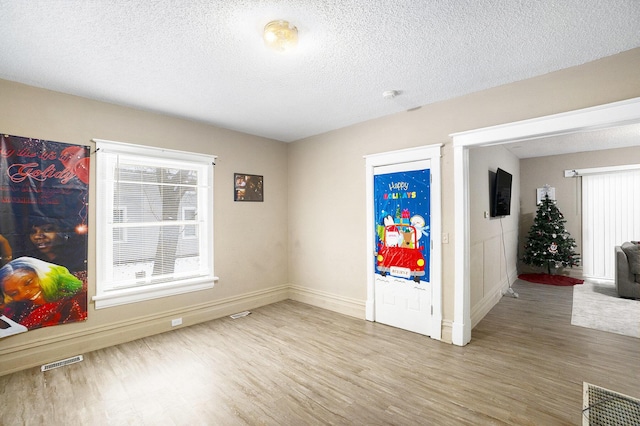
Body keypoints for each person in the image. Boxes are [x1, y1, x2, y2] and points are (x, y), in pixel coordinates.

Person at [0, 257, 86, 331]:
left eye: (28, 282)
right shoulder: (15, 309)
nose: (24, 293)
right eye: (14, 293)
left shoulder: (77, 298)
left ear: (42, 272)